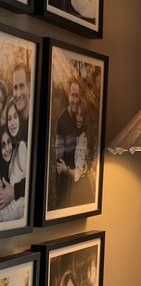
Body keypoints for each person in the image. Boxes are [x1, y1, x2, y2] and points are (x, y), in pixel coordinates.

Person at [54, 79, 85, 208]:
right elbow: (59, 159)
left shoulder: (81, 118)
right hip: (66, 181)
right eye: (72, 95)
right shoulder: (62, 120)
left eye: (77, 95)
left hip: (79, 179)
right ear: (68, 95)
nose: (74, 100)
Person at [0, 102, 25, 221]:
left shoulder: (21, 147)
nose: (7, 149)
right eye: (9, 119)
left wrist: (14, 191)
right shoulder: (10, 157)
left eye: (15, 116)